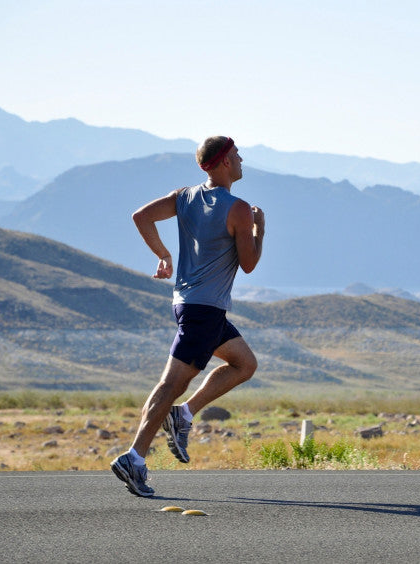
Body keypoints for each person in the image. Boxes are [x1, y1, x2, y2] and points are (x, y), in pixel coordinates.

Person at [111, 136, 265, 496]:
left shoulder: (184, 196)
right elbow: (249, 264)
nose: (242, 161)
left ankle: (184, 414)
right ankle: (134, 457)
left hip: (190, 304)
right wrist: (260, 229)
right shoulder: (239, 209)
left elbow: (141, 216)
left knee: (244, 364)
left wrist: (163, 254)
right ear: (225, 161)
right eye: (238, 156)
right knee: (170, 384)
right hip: (204, 310)